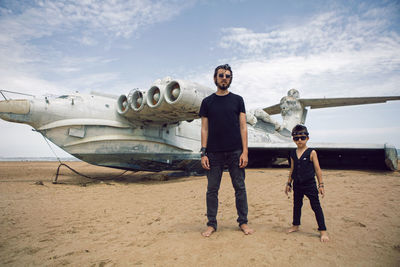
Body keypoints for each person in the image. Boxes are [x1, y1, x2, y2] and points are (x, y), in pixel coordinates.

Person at [199, 64, 254, 237]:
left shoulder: (238, 100)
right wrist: (203, 153)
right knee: (212, 190)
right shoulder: (207, 102)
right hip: (213, 153)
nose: (224, 78)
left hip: (235, 152)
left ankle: (243, 222)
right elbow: (204, 129)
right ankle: (211, 224)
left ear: (230, 79)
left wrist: (245, 152)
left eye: (227, 76)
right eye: (221, 75)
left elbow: (244, 127)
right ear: (215, 78)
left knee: (240, 187)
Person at [285, 124, 329, 242]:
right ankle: (295, 225)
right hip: (297, 185)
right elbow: (292, 169)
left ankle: (323, 231)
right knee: (297, 205)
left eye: (302, 137)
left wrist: (321, 185)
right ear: (293, 139)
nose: (299, 140)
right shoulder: (293, 153)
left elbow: (317, 169)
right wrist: (288, 183)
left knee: (316, 207)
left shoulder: (312, 152)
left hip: (309, 184)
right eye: (296, 138)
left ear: (307, 138)